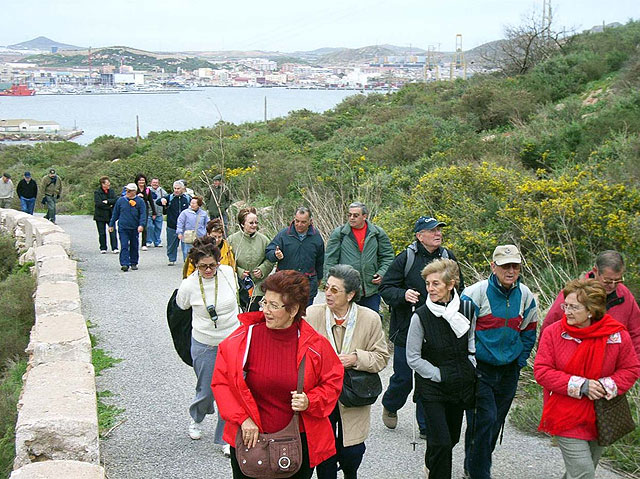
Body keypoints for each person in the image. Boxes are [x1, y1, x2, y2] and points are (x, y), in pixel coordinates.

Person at [211, 270, 344, 479]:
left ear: (293, 310)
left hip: (296, 443)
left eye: (274, 305)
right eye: (265, 302)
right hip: (250, 440)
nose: (266, 310)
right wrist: (243, 419)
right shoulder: (245, 339)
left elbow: (333, 382)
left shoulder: (315, 346)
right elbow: (221, 382)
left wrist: (310, 400)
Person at [535, 278, 640, 479]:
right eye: (566, 306)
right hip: (565, 414)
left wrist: (604, 385)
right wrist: (581, 385)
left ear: (591, 310)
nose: (567, 311)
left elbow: (630, 369)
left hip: (601, 415)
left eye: (574, 307)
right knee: (584, 473)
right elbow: (542, 371)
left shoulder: (616, 335)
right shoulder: (553, 333)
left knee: (582, 470)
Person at [379, 216, 465, 436]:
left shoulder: (448, 258)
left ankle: (426, 426)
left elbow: (460, 289)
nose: (438, 233)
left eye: (439, 230)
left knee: (428, 379)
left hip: (438, 330)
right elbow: (386, 288)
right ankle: (391, 404)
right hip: (406, 329)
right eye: (432, 230)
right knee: (404, 378)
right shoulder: (406, 258)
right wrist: (403, 294)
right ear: (420, 236)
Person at [461, 244, 537, 479]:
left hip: (509, 370)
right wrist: (468, 364)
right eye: (505, 266)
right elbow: (461, 333)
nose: (510, 271)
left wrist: (520, 361)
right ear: (493, 267)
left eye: (514, 266)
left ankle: (472, 463)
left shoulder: (525, 295)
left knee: (494, 422)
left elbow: (529, 331)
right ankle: (479, 472)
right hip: (480, 369)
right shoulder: (474, 293)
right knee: (485, 419)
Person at [306, 264, 389, 479]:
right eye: (327, 288)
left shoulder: (369, 318)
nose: (328, 294)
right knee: (325, 452)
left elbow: (381, 358)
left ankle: (350, 472)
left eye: (335, 290)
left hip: (352, 393)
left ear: (351, 294)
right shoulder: (312, 315)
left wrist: (355, 358)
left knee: (352, 451)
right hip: (321, 392)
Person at [406, 259, 476, 479]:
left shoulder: (467, 309)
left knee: (452, 438)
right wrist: (438, 374)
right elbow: (413, 357)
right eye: (428, 284)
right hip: (432, 387)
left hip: (460, 384)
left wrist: (470, 368)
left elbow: (471, 342)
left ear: (451, 284)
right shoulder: (421, 316)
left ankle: (430, 462)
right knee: (442, 442)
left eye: (436, 284)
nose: (430, 289)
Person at [176, 242, 240, 456]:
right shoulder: (189, 285)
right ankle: (196, 417)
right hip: (205, 342)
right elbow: (181, 306)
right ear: (195, 265)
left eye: (213, 265)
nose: (209, 270)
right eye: (203, 266)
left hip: (232, 340)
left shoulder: (229, 273)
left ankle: (225, 437)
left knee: (230, 390)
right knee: (207, 389)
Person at [541, 250, 640, 357]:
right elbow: (549, 330)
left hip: (614, 366)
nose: (612, 286)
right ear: (595, 271)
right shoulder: (573, 294)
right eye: (607, 281)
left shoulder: (624, 295)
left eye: (618, 280)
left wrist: (635, 365)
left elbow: (636, 332)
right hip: (573, 363)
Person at [325, 202, 394, 313]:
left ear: (364, 216)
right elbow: (330, 260)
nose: (351, 218)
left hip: (370, 289)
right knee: (345, 323)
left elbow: (388, 257)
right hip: (346, 289)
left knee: (370, 324)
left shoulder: (377, 233)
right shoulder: (340, 234)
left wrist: (382, 273)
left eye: (355, 215)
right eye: (349, 215)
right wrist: (329, 284)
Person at [265, 207, 325, 305]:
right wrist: (275, 255)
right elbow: (268, 252)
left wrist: (318, 280)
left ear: (310, 221)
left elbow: (320, 261)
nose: (299, 225)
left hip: (307, 286)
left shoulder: (316, 237)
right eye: (297, 221)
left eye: (303, 222)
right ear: (294, 219)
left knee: (305, 317)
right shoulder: (283, 235)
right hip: (286, 285)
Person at [227, 207, 273, 312]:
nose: (254, 225)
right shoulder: (231, 240)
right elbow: (227, 261)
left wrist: (262, 269)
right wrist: (239, 271)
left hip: (258, 285)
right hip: (238, 284)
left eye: (256, 222)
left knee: (254, 313)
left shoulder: (264, 240)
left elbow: (270, 259)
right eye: (251, 223)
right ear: (242, 224)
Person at [109, 183, 146, 272]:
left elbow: (143, 214)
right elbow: (115, 213)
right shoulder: (120, 200)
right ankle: (124, 264)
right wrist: (111, 224)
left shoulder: (140, 201)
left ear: (134, 192)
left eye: (130, 191)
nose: (128, 192)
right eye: (127, 190)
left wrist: (141, 225)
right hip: (123, 227)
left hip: (134, 227)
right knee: (124, 245)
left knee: (134, 245)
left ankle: (133, 262)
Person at [157, 180, 191, 266]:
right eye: (175, 188)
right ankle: (171, 259)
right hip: (172, 225)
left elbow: (196, 205)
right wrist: (162, 200)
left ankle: (187, 260)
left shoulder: (187, 198)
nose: (176, 190)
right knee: (171, 244)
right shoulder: (170, 197)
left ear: (183, 189)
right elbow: (158, 201)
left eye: (178, 188)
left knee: (186, 245)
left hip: (185, 226)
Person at [176, 196, 209, 262]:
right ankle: (188, 264)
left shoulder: (204, 214)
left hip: (200, 236)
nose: (192, 205)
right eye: (191, 203)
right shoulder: (185, 213)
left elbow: (207, 224)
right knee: (188, 252)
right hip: (189, 236)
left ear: (199, 204)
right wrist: (179, 232)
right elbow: (180, 223)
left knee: (200, 252)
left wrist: (207, 233)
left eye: (194, 203)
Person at [93, 176, 119, 254]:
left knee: (113, 231)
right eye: (107, 183)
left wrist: (107, 201)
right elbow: (98, 203)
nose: (109, 184)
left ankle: (115, 247)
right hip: (100, 216)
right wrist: (109, 206)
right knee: (102, 232)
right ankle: (103, 247)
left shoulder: (111, 191)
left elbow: (115, 200)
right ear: (102, 184)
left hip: (110, 215)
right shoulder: (97, 192)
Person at [132, 173, 157, 251]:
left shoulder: (147, 190)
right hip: (134, 209)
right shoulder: (134, 189)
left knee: (144, 227)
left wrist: (154, 212)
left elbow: (151, 201)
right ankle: (133, 242)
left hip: (144, 210)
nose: (141, 182)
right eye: (140, 180)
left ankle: (144, 243)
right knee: (134, 227)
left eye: (143, 180)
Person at [147, 177, 167, 248]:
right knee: (149, 227)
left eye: (156, 182)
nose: (155, 184)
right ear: (151, 183)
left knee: (158, 227)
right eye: (154, 182)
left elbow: (166, 199)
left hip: (159, 212)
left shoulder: (162, 191)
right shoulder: (147, 190)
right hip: (148, 212)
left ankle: (157, 242)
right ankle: (148, 241)